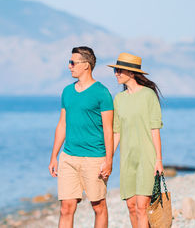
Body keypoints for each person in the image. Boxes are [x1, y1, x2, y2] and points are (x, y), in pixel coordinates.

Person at [48, 46, 114, 228]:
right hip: (68, 157)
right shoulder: (67, 91)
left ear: (86, 65)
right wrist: (54, 156)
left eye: (72, 62)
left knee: (98, 206)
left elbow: (109, 129)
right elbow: (62, 124)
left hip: (94, 158)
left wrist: (109, 160)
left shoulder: (102, 93)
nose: (69, 66)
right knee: (66, 208)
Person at [108, 53, 164, 228]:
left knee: (142, 207)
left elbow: (155, 129)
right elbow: (116, 132)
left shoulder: (148, 95)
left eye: (119, 70)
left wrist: (159, 160)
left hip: (146, 158)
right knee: (131, 207)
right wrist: (108, 159)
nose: (116, 73)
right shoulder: (119, 99)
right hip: (127, 160)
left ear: (131, 73)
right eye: (115, 70)